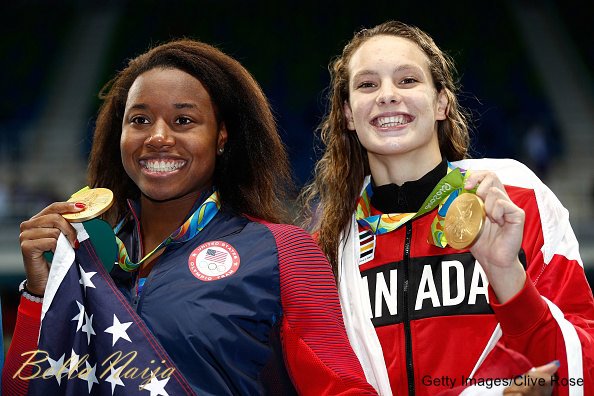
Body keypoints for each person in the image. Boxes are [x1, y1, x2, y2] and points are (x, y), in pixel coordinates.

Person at [2, 39, 378, 395]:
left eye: (183, 121)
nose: (158, 137)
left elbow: (340, 386)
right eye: (140, 120)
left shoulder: (284, 250)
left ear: (221, 136)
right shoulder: (89, 256)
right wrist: (40, 295)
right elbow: (27, 387)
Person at [300, 20, 594, 395]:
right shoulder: (329, 246)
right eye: (367, 84)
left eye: (407, 80)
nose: (387, 95)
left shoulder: (515, 200)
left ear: (442, 103)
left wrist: (507, 275)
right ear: (347, 114)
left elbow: (580, 370)